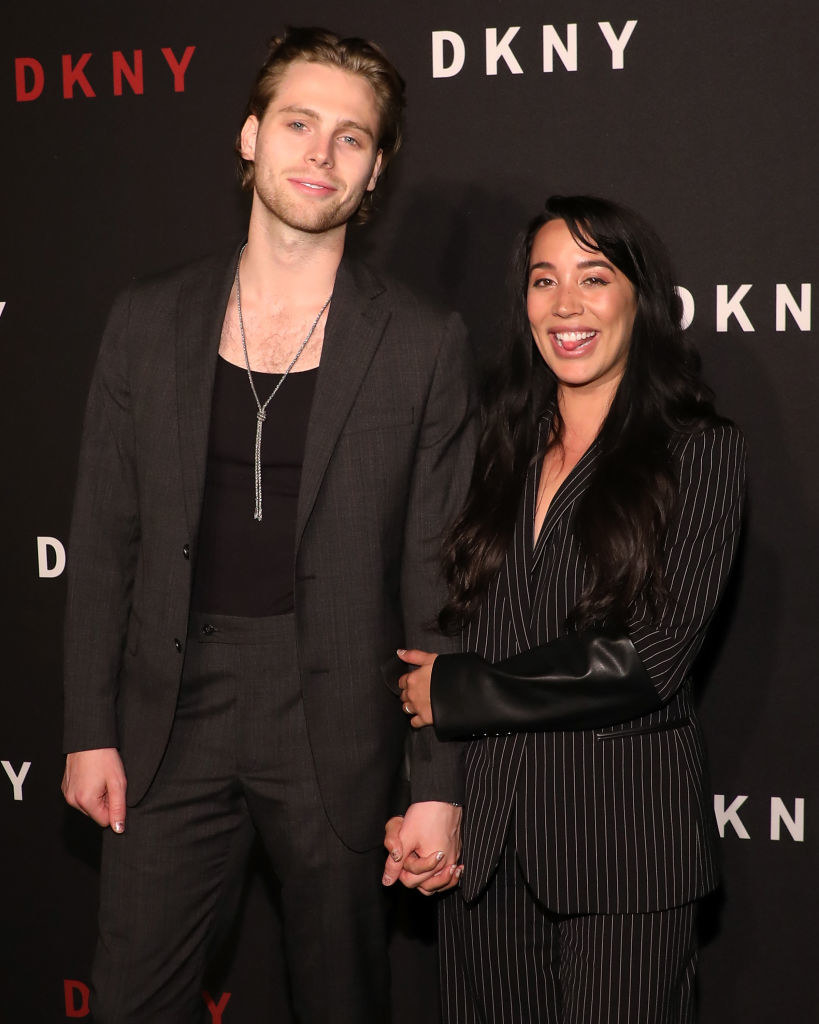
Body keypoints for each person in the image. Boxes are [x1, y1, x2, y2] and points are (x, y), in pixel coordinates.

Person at [60, 26, 475, 1023]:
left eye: (351, 138)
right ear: (249, 137)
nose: (320, 156)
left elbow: (438, 580)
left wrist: (439, 780)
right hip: (169, 713)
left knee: (342, 1001)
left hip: (335, 718)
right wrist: (87, 728)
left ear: (375, 172)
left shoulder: (423, 342)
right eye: (298, 124)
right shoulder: (147, 316)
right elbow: (103, 537)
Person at [384, 196, 747, 1022]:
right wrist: (430, 794)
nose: (565, 305)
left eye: (594, 278)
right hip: (487, 850)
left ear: (639, 298)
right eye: (543, 281)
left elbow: (649, 656)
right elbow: (449, 612)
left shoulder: (698, 450)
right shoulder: (490, 443)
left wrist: (458, 691)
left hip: (623, 849)